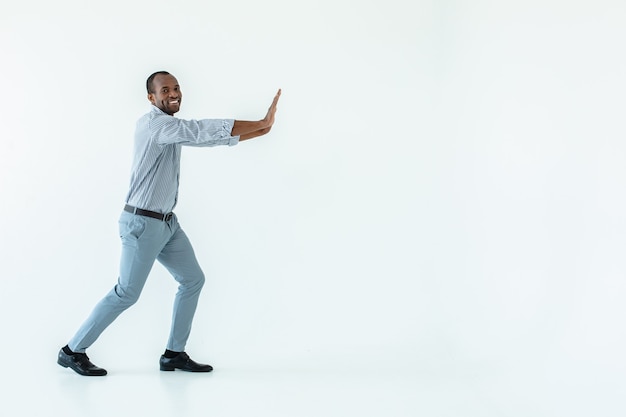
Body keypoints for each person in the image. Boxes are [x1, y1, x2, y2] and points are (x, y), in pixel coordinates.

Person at [57, 71, 281, 376]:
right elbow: (199, 130)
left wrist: (261, 129)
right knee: (126, 293)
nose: (173, 93)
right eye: (165, 90)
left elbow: (204, 139)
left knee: (193, 280)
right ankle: (72, 350)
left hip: (167, 225)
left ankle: (174, 354)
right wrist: (258, 122)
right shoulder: (156, 125)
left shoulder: (171, 128)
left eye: (176, 88)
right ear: (152, 97)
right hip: (141, 225)